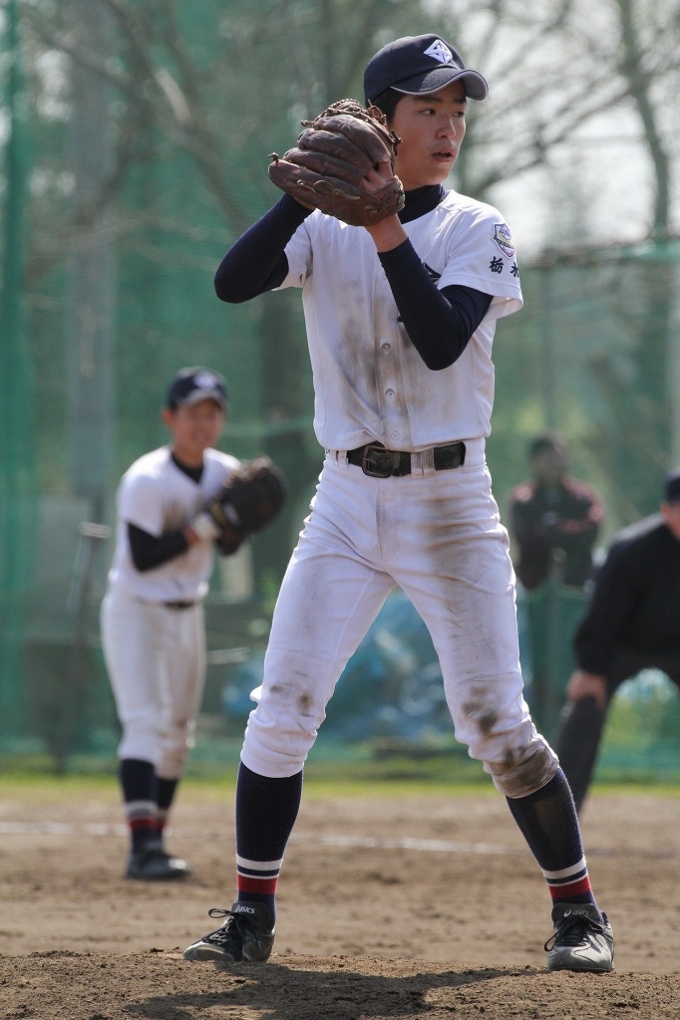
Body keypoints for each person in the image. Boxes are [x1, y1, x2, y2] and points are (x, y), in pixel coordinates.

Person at [183, 34, 613, 972]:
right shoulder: (323, 227)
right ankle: (250, 915)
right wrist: (299, 196)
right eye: (428, 109)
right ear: (380, 122)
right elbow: (230, 282)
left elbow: (442, 341)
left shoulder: (477, 226)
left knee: (496, 724)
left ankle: (579, 912)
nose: (449, 126)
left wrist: (384, 225)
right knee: (282, 706)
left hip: (451, 502)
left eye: (457, 111)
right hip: (345, 497)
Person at [101, 367, 241, 880]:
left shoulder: (226, 471)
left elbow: (230, 546)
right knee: (145, 723)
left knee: (179, 734)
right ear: (170, 418)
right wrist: (206, 525)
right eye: (192, 413)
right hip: (137, 610)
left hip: (188, 611)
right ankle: (142, 849)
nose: (203, 423)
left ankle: (156, 840)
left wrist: (239, 522)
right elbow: (143, 557)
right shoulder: (147, 478)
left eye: (212, 413)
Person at [554, 467, 680, 813]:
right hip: (623, 644)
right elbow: (602, 614)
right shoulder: (632, 550)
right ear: (666, 510)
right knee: (586, 704)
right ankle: (559, 813)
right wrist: (590, 669)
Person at [508, 433, 604, 737]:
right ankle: (540, 730)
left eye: (560, 456)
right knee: (539, 664)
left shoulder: (582, 498)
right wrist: (553, 537)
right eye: (549, 456)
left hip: (574, 594)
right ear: (535, 461)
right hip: (537, 596)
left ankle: (574, 730)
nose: (556, 463)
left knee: (573, 660)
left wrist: (557, 530)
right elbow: (527, 536)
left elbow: (591, 528)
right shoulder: (524, 499)